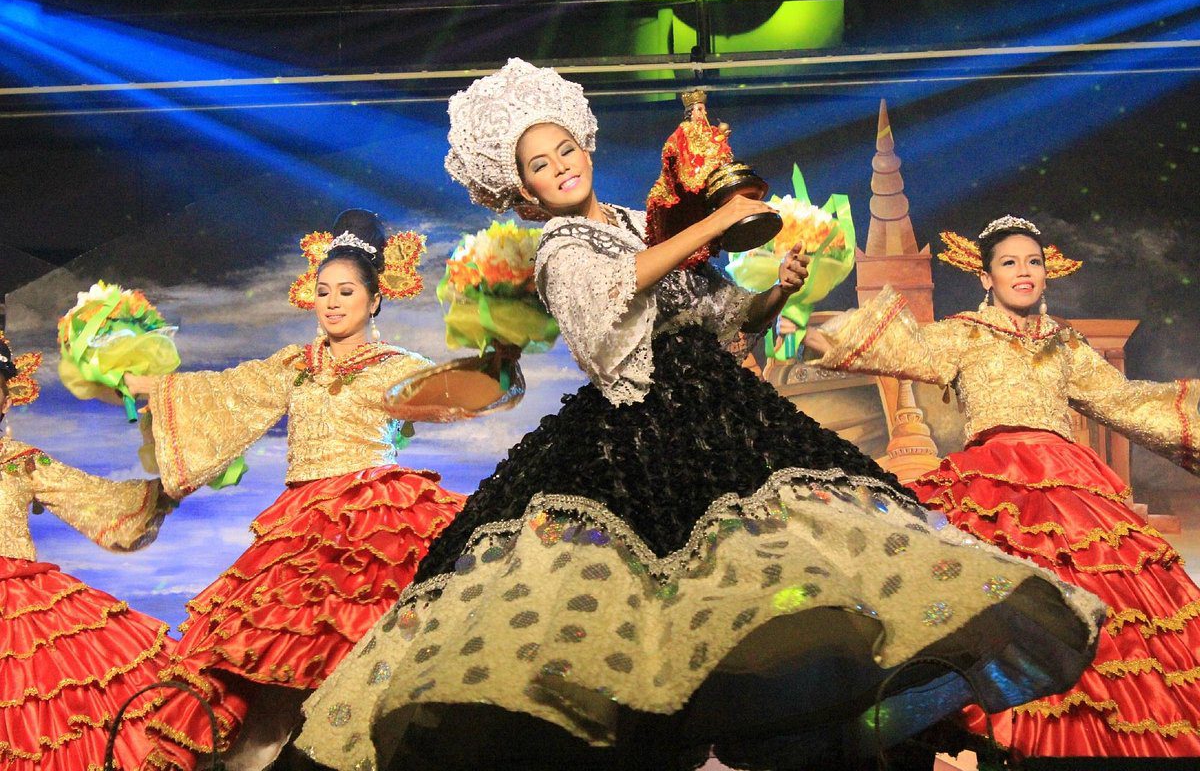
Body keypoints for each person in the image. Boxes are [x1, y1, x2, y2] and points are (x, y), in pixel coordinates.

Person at [296, 60, 1104, 771]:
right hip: (636, 435)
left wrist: (774, 288)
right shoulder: (561, 250)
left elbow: (714, 318)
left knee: (778, 588)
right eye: (539, 165)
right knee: (651, 611)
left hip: (720, 419)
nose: (560, 167)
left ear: (584, 146)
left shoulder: (625, 224)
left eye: (564, 149)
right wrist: (713, 225)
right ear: (525, 189)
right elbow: (609, 319)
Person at [805, 215, 1200, 757]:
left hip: (1073, 494)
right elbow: (900, 345)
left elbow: (1124, 402)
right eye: (1009, 262)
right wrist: (821, 332)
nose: (1024, 272)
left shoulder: (1066, 344)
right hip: (993, 488)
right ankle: (997, 740)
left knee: (1109, 618)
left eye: (1033, 262)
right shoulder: (966, 332)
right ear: (986, 277)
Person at [124, 210, 465, 770]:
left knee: (360, 656)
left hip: (372, 523)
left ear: (374, 300)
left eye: (346, 291)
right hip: (302, 528)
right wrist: (143, 386)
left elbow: (450, 392)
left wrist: (491, 375)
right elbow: (227, 391)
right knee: (273, 672)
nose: (332, 302)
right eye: (323, 291)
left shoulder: (393, 366)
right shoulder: (296, 366)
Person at [0, 331, 176, 770]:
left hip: (22, 611)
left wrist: (170, 487)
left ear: (6, 401)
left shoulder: (21, 461)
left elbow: (97, 500)